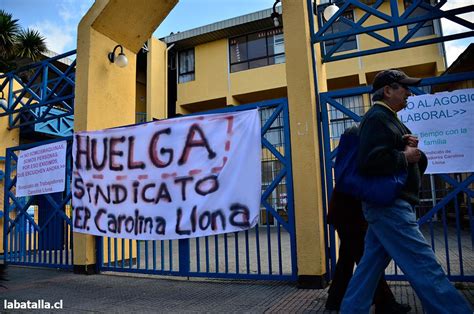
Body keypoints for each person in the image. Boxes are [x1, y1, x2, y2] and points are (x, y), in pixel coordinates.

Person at [340, 69, 472, 313]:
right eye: (404, 87)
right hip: (390, 206)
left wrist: (406, 146)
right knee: (423, 264)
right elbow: (370, 162)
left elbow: (384, 154)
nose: (409, 92)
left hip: (388, 205)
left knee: (370, 267)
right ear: (388, 90)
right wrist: (405, 156)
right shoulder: (378, 117)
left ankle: (351, 309)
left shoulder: (388, 117)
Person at [325, 186, 410, 313]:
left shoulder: (349, 168)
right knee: (368, 262)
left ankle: (335, 299)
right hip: (351, 215)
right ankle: (384, 302)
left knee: (347, 259)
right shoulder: (358, 167)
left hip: (345, 212)